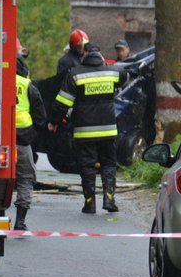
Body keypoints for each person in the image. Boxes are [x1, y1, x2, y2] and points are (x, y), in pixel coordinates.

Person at [49, 43, 126, 213]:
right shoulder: (113, 71)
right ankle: (109, 200)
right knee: (109, 164)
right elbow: (124, 77)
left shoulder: (74, 74)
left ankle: (90, 203)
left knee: (87, 165)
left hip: (84, 130)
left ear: (84, 53)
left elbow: (63, 103)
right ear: (100, 54)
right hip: (108, 129)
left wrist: (54, 121)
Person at [14, 52, 47, 231]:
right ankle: (20, 221)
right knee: (26, 178)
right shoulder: (28, 86)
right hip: (22, 140)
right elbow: (41, 117)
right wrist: (31, 134)